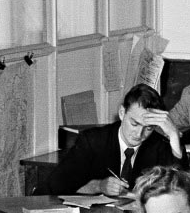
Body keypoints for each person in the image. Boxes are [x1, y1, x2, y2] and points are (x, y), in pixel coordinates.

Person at [52, 83, 182, 195]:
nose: (139, 134)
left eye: (149, 128)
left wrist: (174, 135)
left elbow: (182, 190)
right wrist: (99, 186)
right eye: (134, 124)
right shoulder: (93, 140)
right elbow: (58, 184)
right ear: (122, 113)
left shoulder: (159, 145)